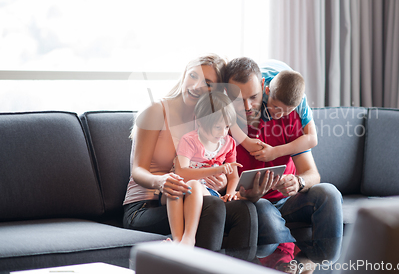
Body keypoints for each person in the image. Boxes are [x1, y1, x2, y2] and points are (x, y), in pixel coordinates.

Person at [122, 55, 257, 260]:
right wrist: (160, 181)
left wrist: (220, 183)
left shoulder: (206, 120)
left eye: (208, 83)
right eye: (193, 75)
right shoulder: (156, 111)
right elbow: (138, 170)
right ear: (184, 74)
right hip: (144, 206)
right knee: (212, 207)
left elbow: (211, 166)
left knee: (245, 210)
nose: (196, 85)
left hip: (190, 194)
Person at [224, 57, 343, 271]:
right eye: (238, 99)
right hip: (254, 203)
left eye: (252, 97)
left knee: (329, 193)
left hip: (287, 200)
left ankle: (312, 260)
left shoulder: (287, 112)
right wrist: (250, 195)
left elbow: (312, 173)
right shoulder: (224, 127)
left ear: (264, 88)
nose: (248, 106)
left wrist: (298, 182)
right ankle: (294, 254)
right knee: (261, 207)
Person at [163, 91, 242, 246]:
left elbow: (233, 176)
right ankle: (179, 239)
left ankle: (188, 238)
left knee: (194, 185)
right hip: (176, 192)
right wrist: (217, 170)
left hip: (206, 193)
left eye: (227, 127)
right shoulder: (190, 141)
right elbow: (182, 172)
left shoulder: (228, 143)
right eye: (217, 127)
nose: (223, 132)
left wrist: (231, 192)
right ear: (199, 121)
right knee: (179, 183)